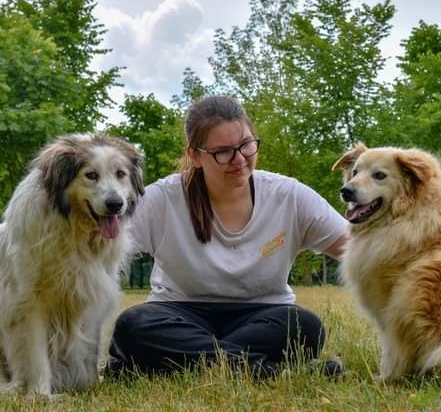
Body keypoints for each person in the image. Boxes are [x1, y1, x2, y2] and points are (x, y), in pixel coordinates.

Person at [107, 96, 348, 379]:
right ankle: (271, 372)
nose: (240, 159)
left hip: (263, 314)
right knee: (133, 325)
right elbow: (99, 252)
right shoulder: (162, 198)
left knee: (306, 327)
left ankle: (159, 364)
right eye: (223, 152)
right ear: (195, 155)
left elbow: (358, 251)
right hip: (177, 312)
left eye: (246, 145)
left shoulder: (289, 196)